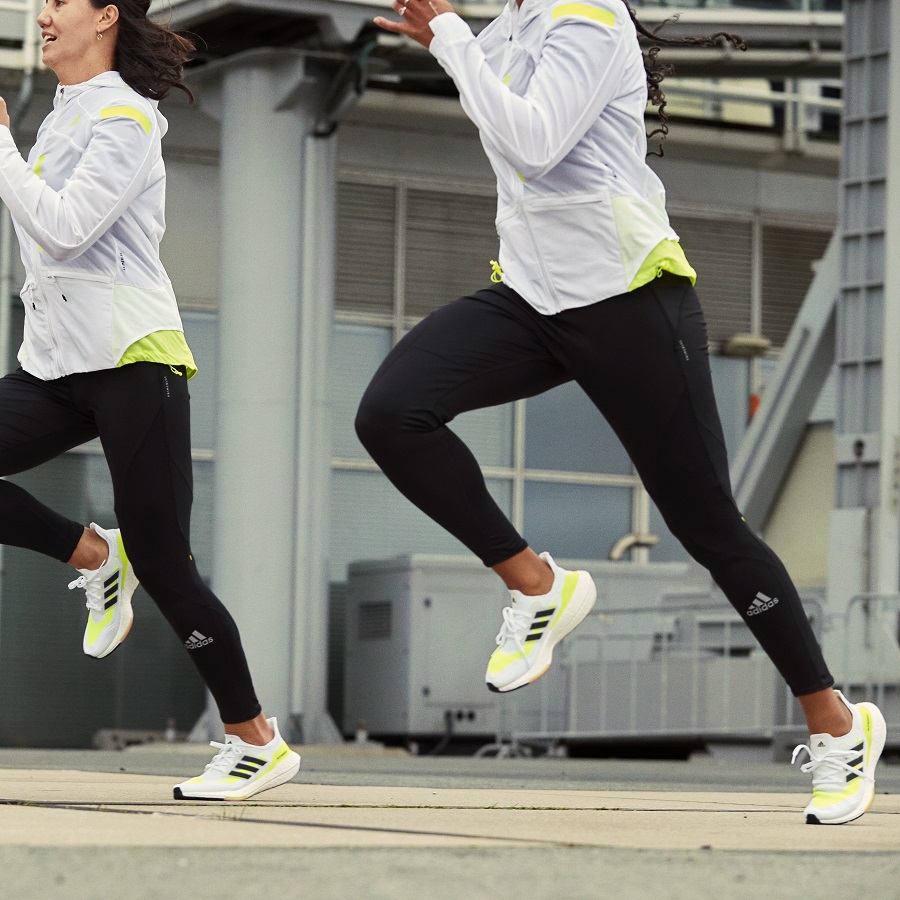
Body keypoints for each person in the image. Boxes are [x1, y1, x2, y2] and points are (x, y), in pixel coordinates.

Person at [357, 0, 887, 824]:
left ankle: (838, 725)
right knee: (391, 413)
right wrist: (455, 44)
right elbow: (509, 133)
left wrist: (454, 41)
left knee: (710, 528)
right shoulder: (514, 25)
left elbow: (534, 140)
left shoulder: (589, 16)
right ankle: (537, 587)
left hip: (628, 298)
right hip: (532, 298)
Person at [0, 0, 300, 800]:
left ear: (105, 16)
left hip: (133, 360)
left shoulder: (127, 119)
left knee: (167, 564)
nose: (43, 16)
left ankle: (256, 740)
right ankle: (95, 556)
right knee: (143, 556)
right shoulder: (63, 116)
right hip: (56, 366)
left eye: (59, 3)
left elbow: (67, 229)